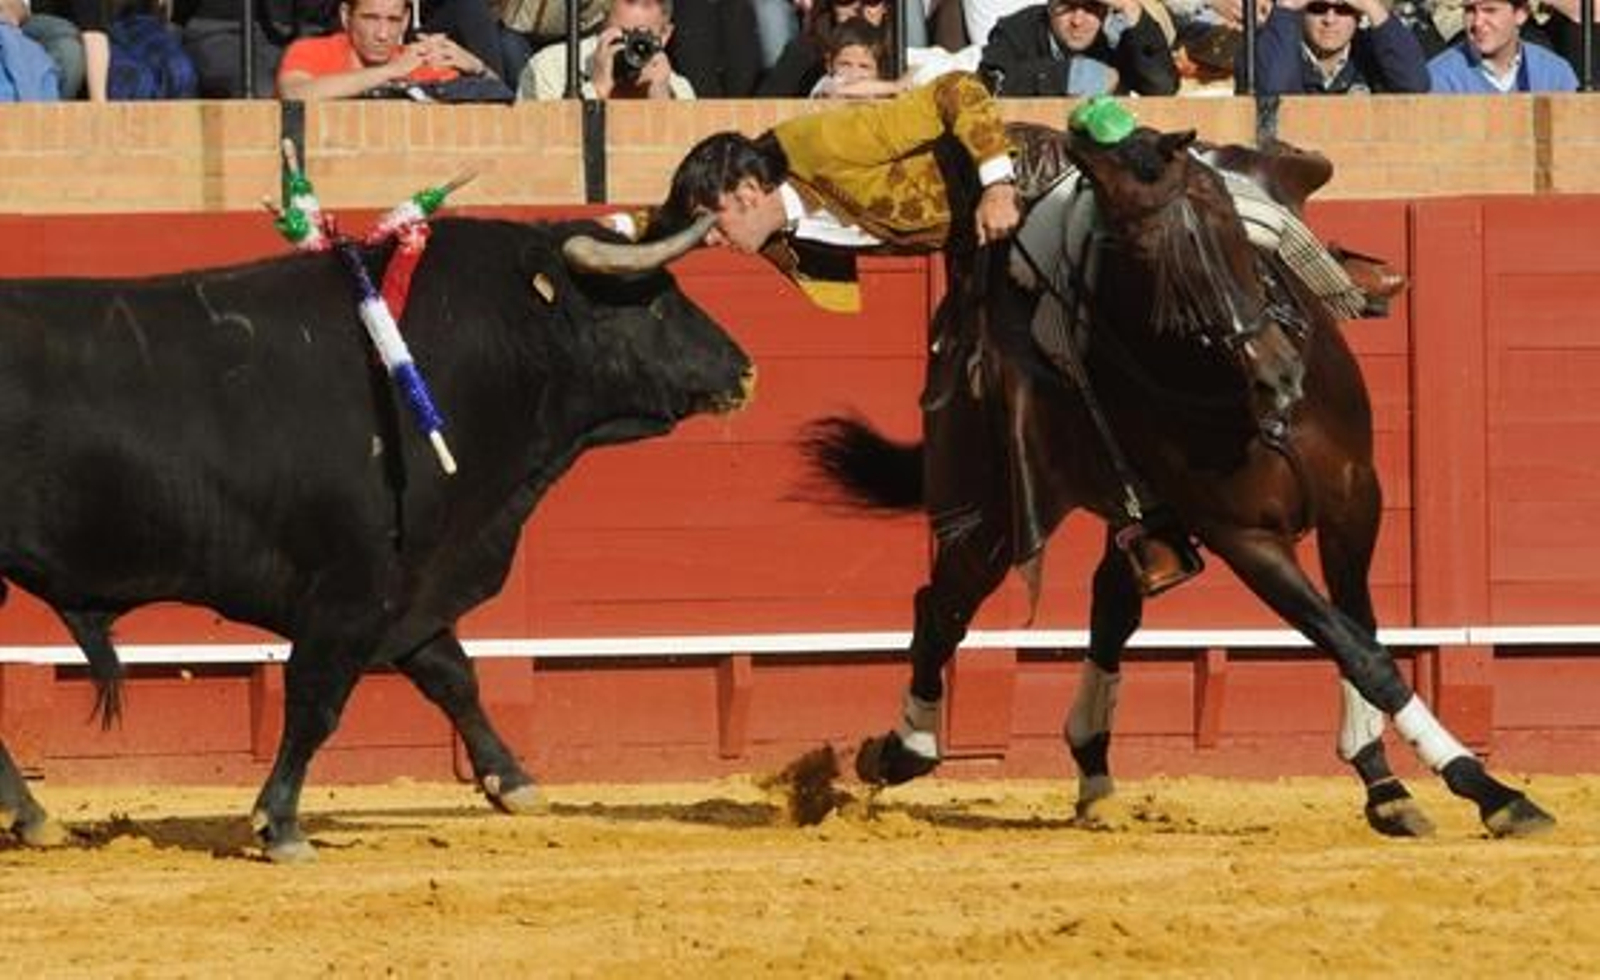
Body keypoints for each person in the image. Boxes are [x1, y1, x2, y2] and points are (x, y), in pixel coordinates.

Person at [277, 0, 493, 100]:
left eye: (393, 20)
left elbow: (503, 106)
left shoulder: (418, 61)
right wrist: (389, 72)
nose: (382, 34)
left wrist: (479, 68)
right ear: (346, 15)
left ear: (406, 20)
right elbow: (294, 93)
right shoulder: (312, 51)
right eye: (370, 18)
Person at [979, 0, 1180, 96]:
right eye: (1067, 8)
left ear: (1107, 10)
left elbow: (1163, 87)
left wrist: (1131, 8)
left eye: (1091, 8)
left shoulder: (1117, 34)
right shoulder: (1018, 28)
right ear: (1049, 6)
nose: (1077, 21)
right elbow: (990, 82)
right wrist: (1071, 76)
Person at [518, 0, 692, 98]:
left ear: (664, 35)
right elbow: (541, 144)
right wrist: (596, 89)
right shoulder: (551, 67)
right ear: (602, 24)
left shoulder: (678, 88)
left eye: (642, 40)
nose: (631, 48)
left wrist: (662, 104)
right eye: (623, 34)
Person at [1254, 0, 1431, 93]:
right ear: (1301, 12)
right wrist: (1286, 7)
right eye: (1318, 7)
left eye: (1343, 9)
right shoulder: (1277, 47)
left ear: (1359, 15)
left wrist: (1373, 7)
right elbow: (1272, 90)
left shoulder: (1375, 53)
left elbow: (1415, 85)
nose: (1329, 20)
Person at [1426, 0, 1578, 91]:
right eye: (1470, 10)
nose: (1478, 22)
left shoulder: (1554, 73)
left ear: (1520, 14)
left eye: (1490, 10)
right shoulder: (1440, 76)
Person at [757, 0, 890, 95]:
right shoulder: (805, 51)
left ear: (886, 6)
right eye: (846, 0)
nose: (858, 7)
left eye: (872, 0)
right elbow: (764, 108)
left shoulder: (899, 50)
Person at [810, 16, 903, 95]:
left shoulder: (880, 89)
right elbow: (837, 91)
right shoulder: (826, 83)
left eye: (864, 66)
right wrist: (897, 86)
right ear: (829, 65)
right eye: (845, 64)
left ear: (879, 71)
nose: (854, 74)